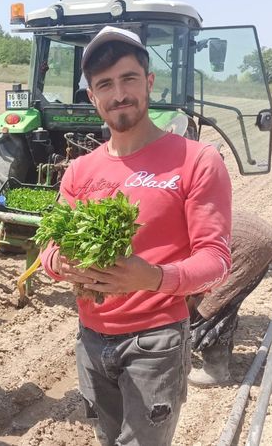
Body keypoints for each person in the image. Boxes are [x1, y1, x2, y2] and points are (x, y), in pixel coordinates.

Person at [38, 27, 232, 445]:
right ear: (93, 96)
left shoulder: (197, 160)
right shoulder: (80, 170)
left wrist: (154, 277)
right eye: (105, 84)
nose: (119, 94)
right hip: (91, 338)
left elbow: (216, 259)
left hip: (156, 342)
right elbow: (50, 246)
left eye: (129, 79)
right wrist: (60, 263)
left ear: (149, 82)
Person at [187, 210, 272, 386]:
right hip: (254, 237)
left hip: (246, 243)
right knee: (227, 303)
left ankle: (215, 371)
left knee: (211, 306)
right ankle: (223, 356)